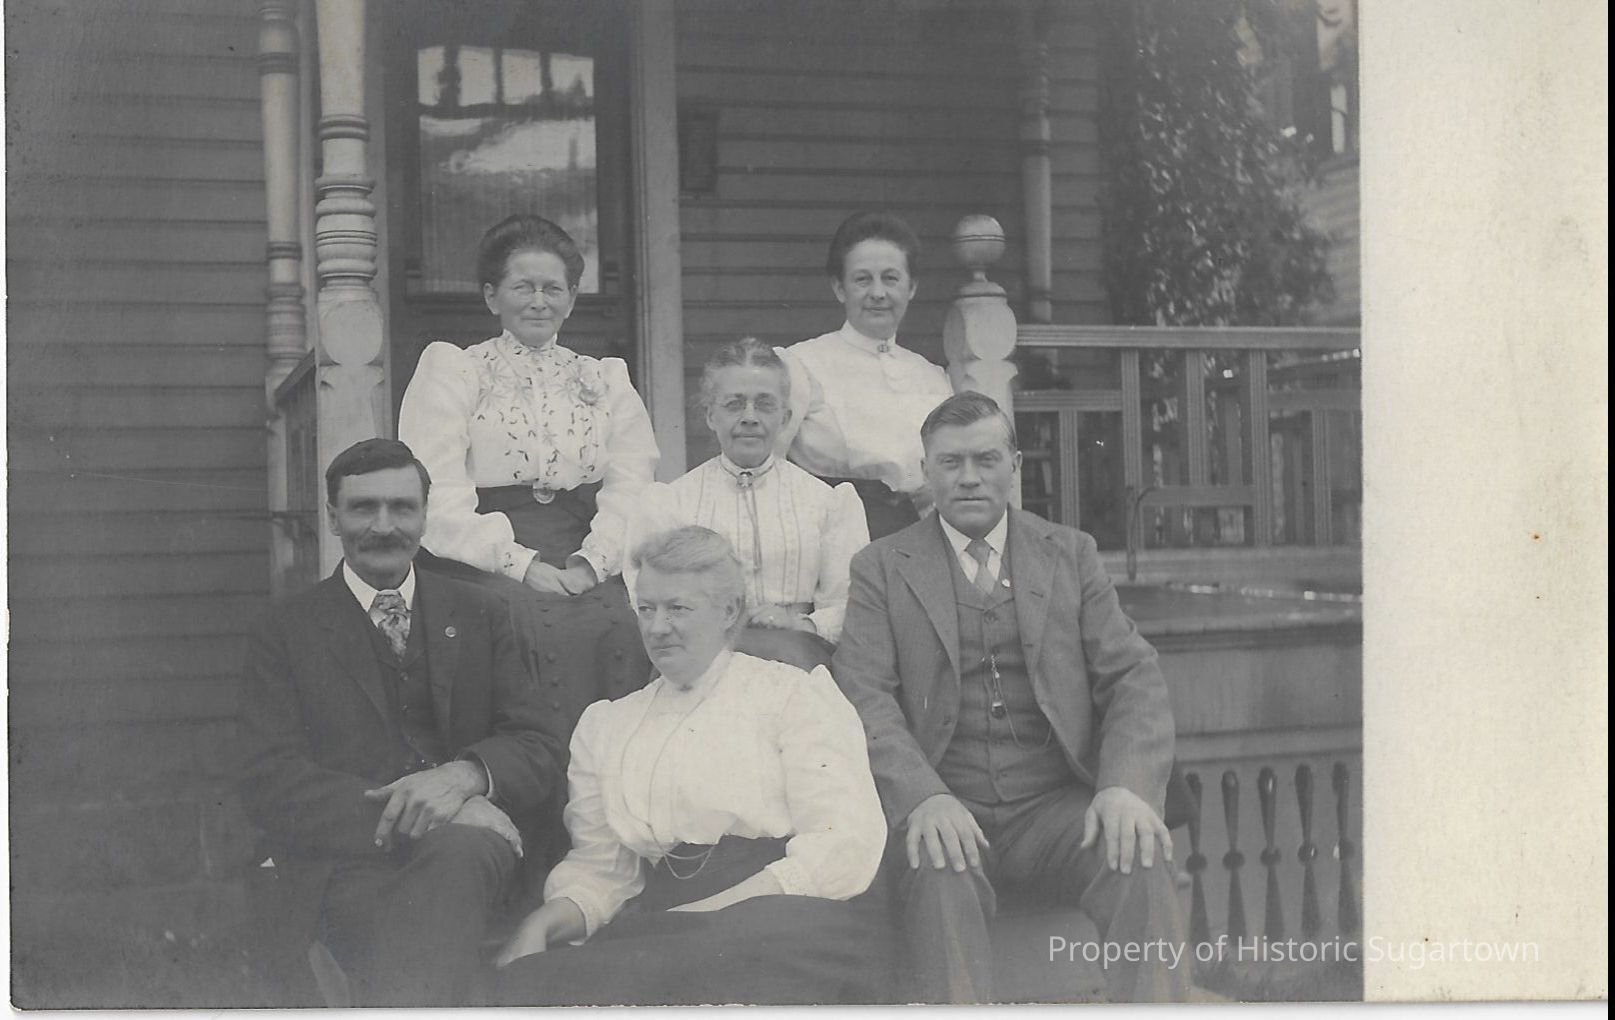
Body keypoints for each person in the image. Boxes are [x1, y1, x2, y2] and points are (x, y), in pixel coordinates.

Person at [832, 392, 1189, 1004]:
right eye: (950, 462)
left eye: (986, 459)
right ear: (925, 470)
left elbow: (1132, 674)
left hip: (1055, 810)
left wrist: (1125, 787)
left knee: (1138, 853)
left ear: (1015, 466)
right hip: (950, 802)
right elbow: (864, 695)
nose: (969, 477)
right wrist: (922, 797)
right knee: (937, 865)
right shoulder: (881, 567)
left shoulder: (1070, 553)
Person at [491, 526, 893, 1006]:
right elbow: (604, 873)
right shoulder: (608, 725)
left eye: (677, 608)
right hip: (668, 931)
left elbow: (842, 841)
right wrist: (541, 925)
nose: (657, 627)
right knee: (528, 984)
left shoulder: (791, 695)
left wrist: (711, 915)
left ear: (729, 612)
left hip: (786, 920)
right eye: (646, 609)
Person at [237, 438, 566, 1007]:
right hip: (349, 864)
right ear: (333, 518)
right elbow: (271, 779)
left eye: (402, 508)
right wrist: (433, 809)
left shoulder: (482, 611)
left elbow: (537, 744)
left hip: (477, 856)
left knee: (461, 855)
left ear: (424, 516)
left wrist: (464, 778)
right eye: (364, 508)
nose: (384, 526)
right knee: (424, 911)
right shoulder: (285, 630)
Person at [398, 213, 660, 740]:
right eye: (523, 287)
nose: (539, 301)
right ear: (492, 297)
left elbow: (633, 482)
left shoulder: (604, 377)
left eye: (553, 288)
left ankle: (608, 778)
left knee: (622, 621)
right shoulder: (457, 370)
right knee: (525, 623)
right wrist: (521, 564)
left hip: (583, 545)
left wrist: (593, 561)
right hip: (479, 554)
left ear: (572, 298)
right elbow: (437, 490)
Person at [626, 338, 869, 658]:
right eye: (734, 404)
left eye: (765, 404)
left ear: (784, 418)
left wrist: (799, 623)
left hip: (799, 656)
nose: (750, 417)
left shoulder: (827, 503)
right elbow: (649, 600)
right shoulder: (671, 503)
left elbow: (849, 603)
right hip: (701, 658)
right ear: (710, 416)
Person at [775, 211, 955, 539]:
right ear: (839, 288)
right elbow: (769, 468)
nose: (878, 293)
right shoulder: (800, 364)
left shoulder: (933, 378)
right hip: (833, 536)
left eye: (891, 278)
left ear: (911, 287)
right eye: (862, 279)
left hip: (923, 538)